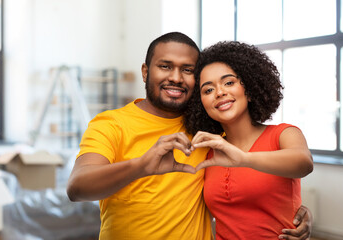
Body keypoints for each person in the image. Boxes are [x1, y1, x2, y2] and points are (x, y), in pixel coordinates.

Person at [67, 32, 311, 240]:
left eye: (187, 70)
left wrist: (293, 211)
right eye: (165, 66)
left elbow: (278, 168)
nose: (175, 77)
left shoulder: (208, 131)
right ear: (145, 71)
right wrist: (141, 166)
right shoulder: (111, 124)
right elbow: (77, 188)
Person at [184, 40, 314, 239]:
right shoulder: (208, 152)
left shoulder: (284, 134)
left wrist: (244, 159)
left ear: (250, 89)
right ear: (201, 104)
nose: (219, 92)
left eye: (229, 82)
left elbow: (304, 164)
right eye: (208, 90)